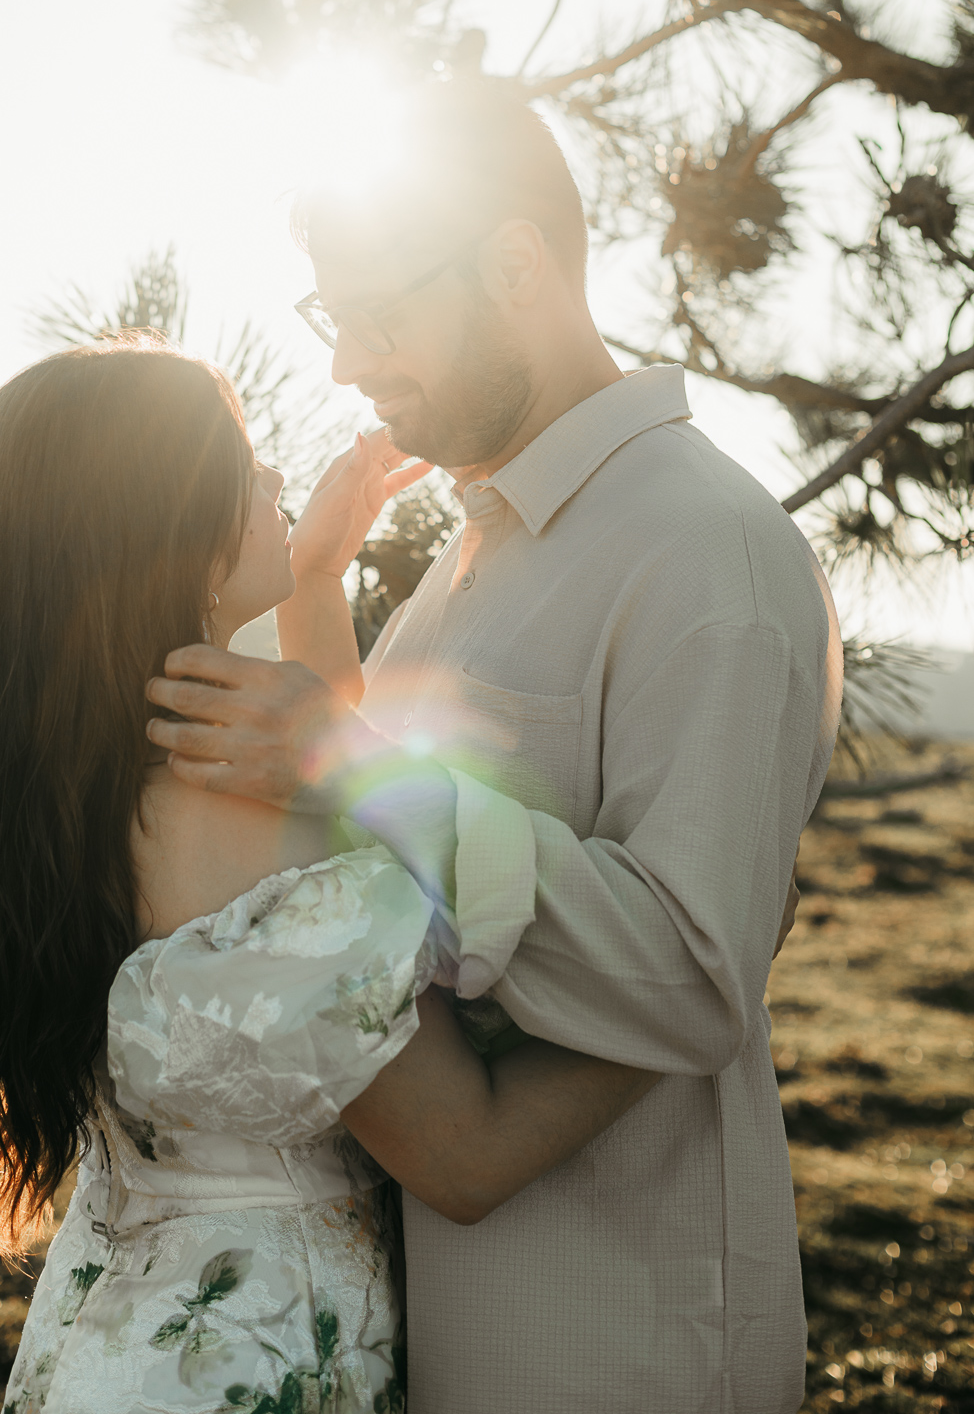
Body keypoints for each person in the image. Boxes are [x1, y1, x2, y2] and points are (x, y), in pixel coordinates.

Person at [145, 80, 845, 1414]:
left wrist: (347, 765)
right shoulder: (472, 561)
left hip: (609, 1347)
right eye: (329, 317)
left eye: (375, 312)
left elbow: (698, 975)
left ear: (514, 264)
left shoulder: (710, 554)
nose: (345, 360)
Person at [0, 338, 658, 1414]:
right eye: (244, 465)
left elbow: (314, 792)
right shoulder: (230, 804)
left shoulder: (73, 779)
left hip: (124, 1338)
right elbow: (467, 1153)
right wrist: (694, 992)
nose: (278, 478)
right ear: (171, 533)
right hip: (256, 1350)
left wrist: (318, 578)